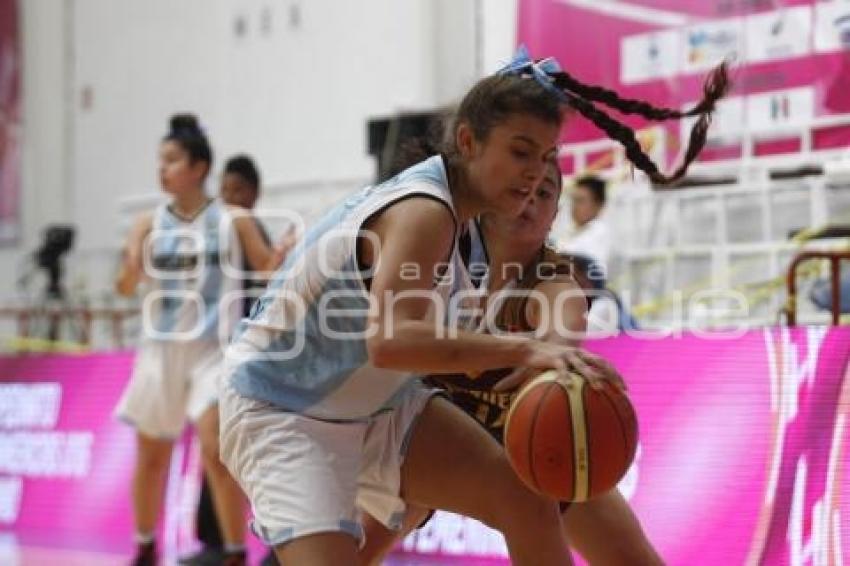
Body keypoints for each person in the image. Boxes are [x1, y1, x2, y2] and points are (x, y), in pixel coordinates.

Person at [218, 48, 727, 565]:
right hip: (284, 408)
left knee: (526, 497)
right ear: (467, 141)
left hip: (400, 410)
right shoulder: (426, 211)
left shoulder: (528, 263)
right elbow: (391, 340)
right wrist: (524, 350)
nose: (532, 179)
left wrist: (552, 360)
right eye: (521, 152)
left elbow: (549, 338)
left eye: (547, 161)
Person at [358, 156, 662, 565]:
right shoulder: (438, 249)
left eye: (545, 194)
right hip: (436, 429)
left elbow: (561, 326)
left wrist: (552, 352)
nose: (531, 202)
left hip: (532, 444)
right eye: (522, 190)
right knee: (347, 552)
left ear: (556, 212)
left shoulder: (552, 281)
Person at [115, 115, 288, 566]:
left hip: (214, 351)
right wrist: (131, 267)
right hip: (160, 351)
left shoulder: (233, 220)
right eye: (160, 160)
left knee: (216, 448)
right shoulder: (145, 225)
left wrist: (284, 257)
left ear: (198, 167)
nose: (162, 169)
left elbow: (266, 270)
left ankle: (234, 551)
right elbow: (124, 286)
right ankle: (145, 545)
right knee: (152, 456)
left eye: (171, 160)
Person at [181, 154, 285, 566]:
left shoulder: (245, 225)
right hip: (211, 355)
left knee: (239, 454)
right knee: (216, 453)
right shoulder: (208, 231)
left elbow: (269, 272)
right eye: (224, 191)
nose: (229, 198)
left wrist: (286, 254)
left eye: (237, 191)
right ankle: (226, 545)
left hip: (247, 356)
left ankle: (258, 547)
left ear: (255, 194)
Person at [557, 175, 611, 269]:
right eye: (574, 200)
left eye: (580, 201)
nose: (574, 206)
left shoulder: (600, 235)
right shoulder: (575, 233)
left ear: (598, 204)